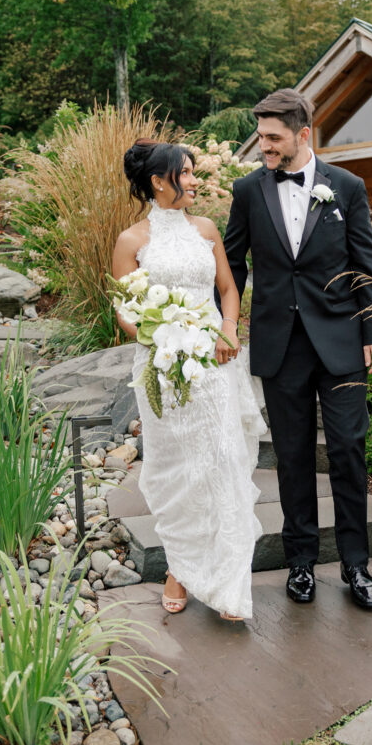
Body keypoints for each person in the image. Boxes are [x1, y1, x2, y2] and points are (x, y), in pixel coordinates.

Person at [223, 89, 372, 609]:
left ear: (302, 134)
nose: (264, 146)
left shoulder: (347, 187)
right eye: (261, 137)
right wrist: (221, 324)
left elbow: (366, 264)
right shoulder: (247, 191)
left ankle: (356, 564)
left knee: (348, 450)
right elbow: (232, 266)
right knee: (292, 457)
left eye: (273, 137)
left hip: (341, 341)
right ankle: (301, 562)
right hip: (280, 345)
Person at [112, 140, 265, 622]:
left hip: (214, 365)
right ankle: (179, 568)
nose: (195, 181)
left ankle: (229, 584)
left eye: (195, 172)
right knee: (177, 470)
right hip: (163, 368)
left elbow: (227, 288)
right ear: (159, 181)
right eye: (186, 173)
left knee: (223, 463)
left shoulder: (206, 229)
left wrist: (228, 329)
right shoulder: (131, 241)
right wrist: (161, 337)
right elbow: (125, 312)